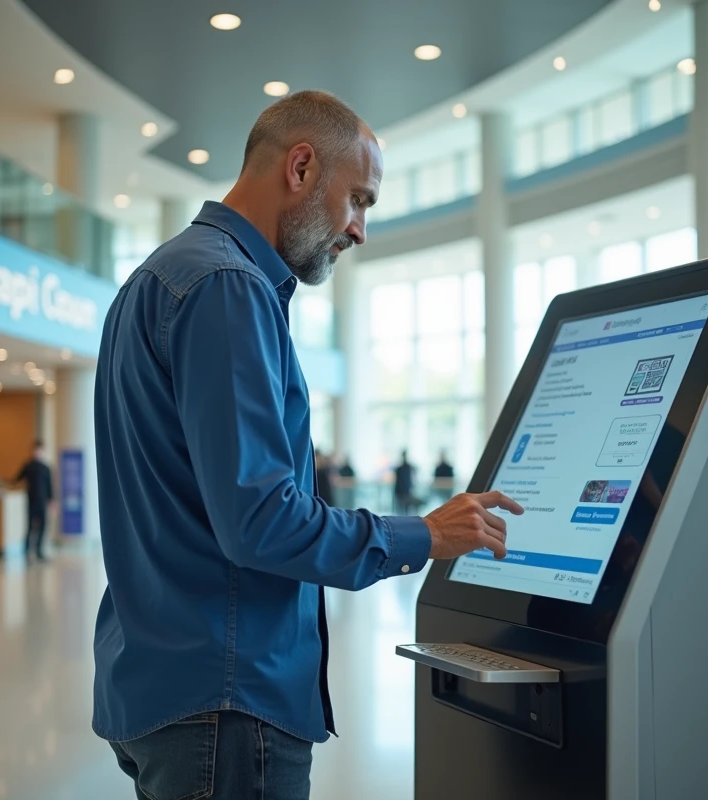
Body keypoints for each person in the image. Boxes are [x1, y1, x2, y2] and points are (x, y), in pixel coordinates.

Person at [92, 90, 522, 800]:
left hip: (160, 684)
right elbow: (261, 521)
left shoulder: (160, 277)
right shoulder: (228, 287)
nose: (359, 230)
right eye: (358, 199)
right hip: (226, 701)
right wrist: (424, 535)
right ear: (300, 167)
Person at [13, 440, 54, 562]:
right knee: (30, 527)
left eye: (39, 450)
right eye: (35, 450)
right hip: (31, 501)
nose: (37, 452)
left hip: (42, 502)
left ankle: (39, 551)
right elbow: (17, 479)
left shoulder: (46, 468)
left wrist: (51, 500)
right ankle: (26, 552)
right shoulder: (28, 466)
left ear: (42, 451)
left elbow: (49, 486)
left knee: (42, 527)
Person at [393, 449, 418, 515]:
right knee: (402, 510)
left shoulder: (407, 468)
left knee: (404, 510)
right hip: (402, 492)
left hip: (405, 492)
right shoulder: (402, 468)